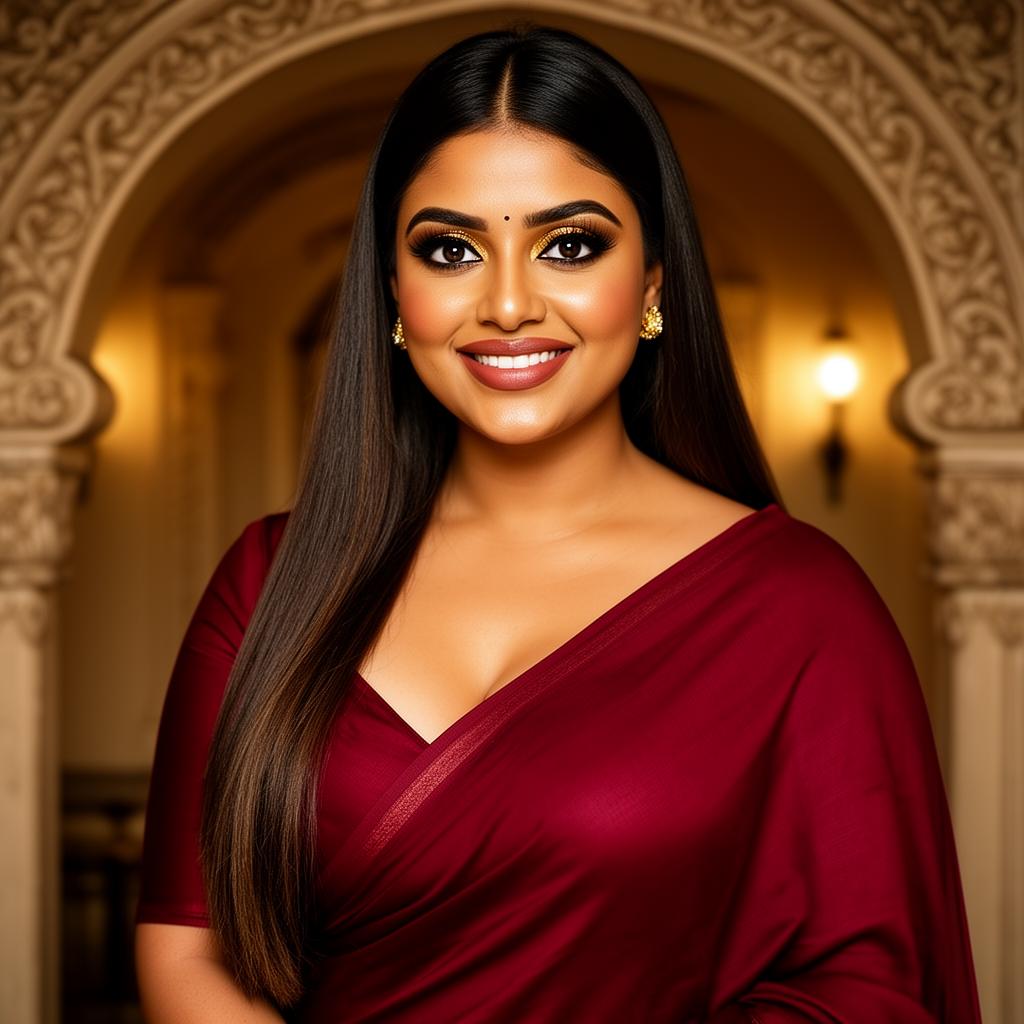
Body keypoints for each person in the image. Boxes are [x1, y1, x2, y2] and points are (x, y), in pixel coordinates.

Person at [133, 20, 982, 1023]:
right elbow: (187, 948)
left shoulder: (800, 609)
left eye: (569, 244)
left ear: (654, 280)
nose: (505, 302)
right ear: (395, 294)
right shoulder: (268, 580)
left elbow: (868, 987)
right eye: (449, 249)